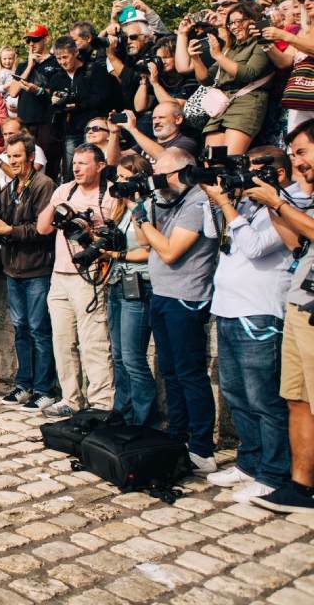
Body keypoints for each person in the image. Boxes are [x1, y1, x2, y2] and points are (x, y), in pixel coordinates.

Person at [206, 147, 302, 502]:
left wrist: (230, 207)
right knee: (236, 396)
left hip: (259, 313)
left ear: (277, 172)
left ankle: (273, 473)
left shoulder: (286, 208)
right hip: (228, 308)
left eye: (256, 170)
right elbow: (213, 233)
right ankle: (248, 462)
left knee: (264, 400)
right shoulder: (246, 206)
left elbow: (256, 246)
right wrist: (215, 198)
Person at [242, 120, 314, 513]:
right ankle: (300, 487)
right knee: (297, 398)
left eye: (303, 152)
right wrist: (271, 204)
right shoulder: (299, 197)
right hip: (299, 302)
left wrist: (280, 203)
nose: (299, 162)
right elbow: (295, 243)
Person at [133, 147, 219, 474]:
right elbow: (145, 244)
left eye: (163, 175)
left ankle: (201, 447)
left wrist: (141, 217)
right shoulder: (166, 201)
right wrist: (142, 210)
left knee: (190, 373)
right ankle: (177, 434)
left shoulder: (197, 202)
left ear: (184, 173)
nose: (158, 182)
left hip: (186, 297)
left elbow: (169, 251)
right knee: (169, 372)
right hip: (163, 294)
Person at [36, 143, 116, 418]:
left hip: (91, 276)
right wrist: (59, 207)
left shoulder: (109, 196)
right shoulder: (64, 190)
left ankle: (101, 403)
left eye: (84, 163)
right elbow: (42, 228)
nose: (77, 168)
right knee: (62, 340)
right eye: (75, 163)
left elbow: (113, 238)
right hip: (60, 275)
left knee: (93, 342)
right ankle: (71, 398)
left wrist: (87, 229)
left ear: (100, 166)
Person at [0, 135, 57, 410]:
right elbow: (1, 216)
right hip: (13, 268)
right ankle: (24, 384)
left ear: (29, 156)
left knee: (39, 330)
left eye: (17, 156)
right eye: (9, 156)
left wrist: (9, 231)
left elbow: (42, 229)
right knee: (21, 329)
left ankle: (44, 388)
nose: (12, 161)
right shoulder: (12, 186)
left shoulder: (44, 185)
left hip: (37, 268)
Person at [103, 154, 158, 427]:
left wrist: (118, 255)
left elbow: (149, 249)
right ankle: (121, 413)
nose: (120, 184)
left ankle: (143, 420)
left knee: (134, 358)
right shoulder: (120, 208)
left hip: (139, 283)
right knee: (119, 356)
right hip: (116, 282)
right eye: (119, 178)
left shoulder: (147, 206)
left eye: (126, 179)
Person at [182, 1, 274, 154]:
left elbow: (248, 73)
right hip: (221, 105)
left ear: (253, 20)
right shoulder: (230, 48)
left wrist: (217, 55)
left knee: (231, 160)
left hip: (247, 102)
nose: (234, 27)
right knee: (212, 161)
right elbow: (206, 79)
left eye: (238, 21)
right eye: (231, 23)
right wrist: (195, 58)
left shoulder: (260, 43)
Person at [48, 35, 123, 181]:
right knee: (72, 171)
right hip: (70, 129)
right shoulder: (56, 78)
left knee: (96, 167)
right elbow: (53, 108)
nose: (63, 62)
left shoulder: (94, 70)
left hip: (94, 127)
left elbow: (103, 98)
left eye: (65, 57)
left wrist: (77, 105)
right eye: (59, 59)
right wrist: (56, 102)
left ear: (75, 52)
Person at [8, 25, 64, 180]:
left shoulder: (56, 63)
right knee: (25, 161)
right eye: (29, 41)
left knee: (49, 162)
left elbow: (58, 92)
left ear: (46, 39)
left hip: (47, 121)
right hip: (25, 121)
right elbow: (13, 92)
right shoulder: (22, 65)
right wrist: (29, 66)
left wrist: (38, 90)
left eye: (36, 40)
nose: (31, 44)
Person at [109, 102, 199, 165]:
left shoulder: (187, 142)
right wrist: (114, 133)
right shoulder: (147, 143)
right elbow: (114, 161)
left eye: (161, 117)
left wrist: (132, 129)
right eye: (154, 118)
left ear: (178, 119)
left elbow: (165, 157)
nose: (156, 122)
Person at [0, 118, 47, 189]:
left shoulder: (35, 150)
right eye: (5, 134)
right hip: (7, 198)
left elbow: (28, 179)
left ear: (23, 133)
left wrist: (0, 162)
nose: (7, 138)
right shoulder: (2, 156)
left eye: (11, 133)